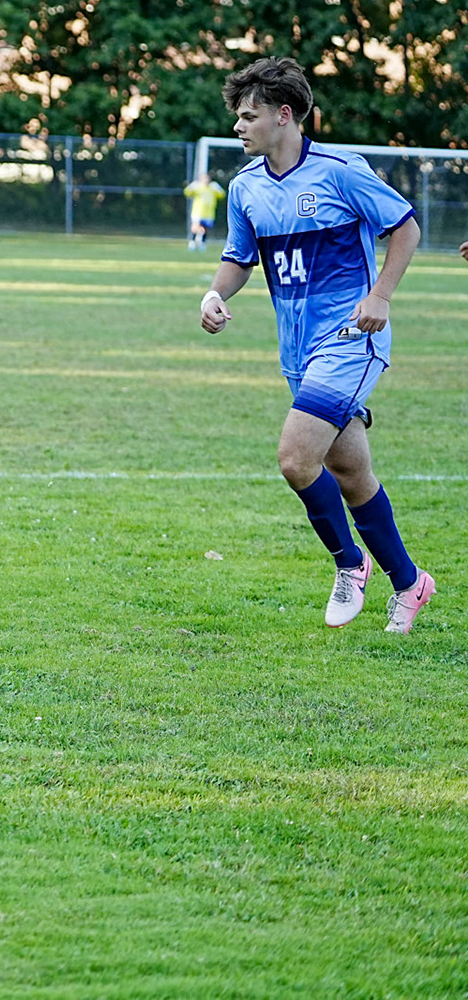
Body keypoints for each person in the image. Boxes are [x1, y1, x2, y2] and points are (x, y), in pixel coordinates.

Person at [200, 56, 435, 633]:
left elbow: (405, 227)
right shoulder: (246, 186)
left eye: (248, 116)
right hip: (297, 351)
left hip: (351, 338)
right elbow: (239, 258)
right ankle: (410, 584)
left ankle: (350, 563)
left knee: (295, 458)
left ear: (284, 115)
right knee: (349, 470)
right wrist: (214, 293)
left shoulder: (340, 171)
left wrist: (380, 296)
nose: (238, 126)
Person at [185, 164, 227, 250]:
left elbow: (222, 195)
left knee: (205, 229)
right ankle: (192, 242)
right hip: (197, 212)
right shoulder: (197, 187)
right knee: (195, 227)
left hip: (209, 213)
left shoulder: (212, 188)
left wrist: (218, 189)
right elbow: (187, 193)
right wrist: (191, 187)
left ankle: (202, 243)